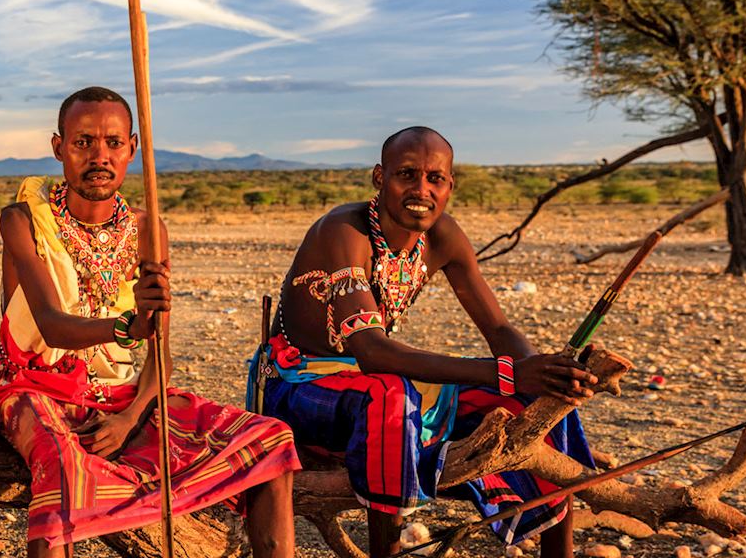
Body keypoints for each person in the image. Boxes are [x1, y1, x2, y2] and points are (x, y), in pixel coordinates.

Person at [0, 87, 301, 557]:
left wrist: (132, 418)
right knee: (65, 471)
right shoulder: (23, 220)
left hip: (120, 394)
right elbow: (53, 327)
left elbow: (161, 355)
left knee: (269, 440)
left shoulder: (147, 230)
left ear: (133, 149)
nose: (100, 156)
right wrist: (127, 328)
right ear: (59, 148)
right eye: (83, 143)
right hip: (32, 387)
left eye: (113, 143)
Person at [249, 126, 600, 557]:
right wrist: (511, 374)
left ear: (451, 185)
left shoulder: (443, 237)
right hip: (296, 383)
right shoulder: (343, 230)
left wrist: (547, 372)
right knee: (391, 395)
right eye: (407, 174)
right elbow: (372, 352)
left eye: (435, 178)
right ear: (380, 178)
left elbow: (499, 331)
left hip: (361, 378)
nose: (421, 189)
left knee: (544, 401)